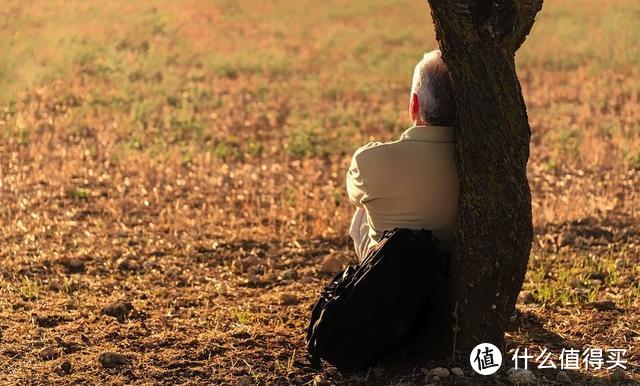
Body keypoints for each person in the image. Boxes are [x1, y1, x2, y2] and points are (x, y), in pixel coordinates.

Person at [346, 50, 458, 261]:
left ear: (414, 104)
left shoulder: (369, 160)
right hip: (451, 271)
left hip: (389, 276)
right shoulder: (480, 164)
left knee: (363, 208)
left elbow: (352, 194)